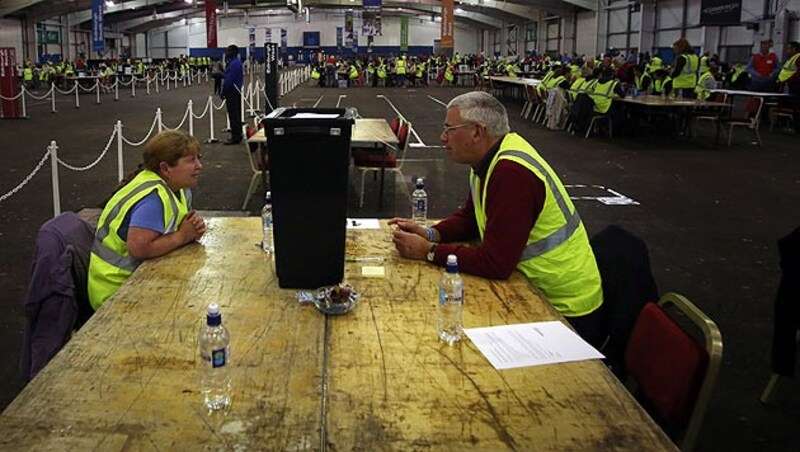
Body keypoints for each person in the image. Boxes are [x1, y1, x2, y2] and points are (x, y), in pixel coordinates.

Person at [389, 92, 605, 346]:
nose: (443, 137)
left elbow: (496, 263)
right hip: (529, 287)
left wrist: (429, 251)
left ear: (477, 132)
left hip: (561, 309)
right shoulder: (492, 158)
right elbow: (471, 217)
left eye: (450, 129)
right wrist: (430, 233)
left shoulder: (511, 172)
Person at [87, 131, 207, 310]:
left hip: (140, 278)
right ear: (166, 169)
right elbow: (139, 248)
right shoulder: (152, 199)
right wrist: (182, 235)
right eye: (191, 160)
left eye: (198, 158)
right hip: (116, 292)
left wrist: (190, 229)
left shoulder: (178, 188)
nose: (199, 166)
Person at [220, 44, 244, 145]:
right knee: (237, 114)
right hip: (236, 90)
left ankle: (235, 137)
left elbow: (228, 81)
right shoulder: (236, 63)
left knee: (233, 115)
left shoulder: (234, 64)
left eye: (229, 51)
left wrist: (223, 92)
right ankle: (238, 135)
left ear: (233, 52)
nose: (227, 53)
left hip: (232, 92)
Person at [777, 41, 800, 133]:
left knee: (796, 106)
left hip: (796, 85)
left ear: (794, 49)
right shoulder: (790, 58)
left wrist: (787, 80)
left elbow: (798, 73)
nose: (787, 50)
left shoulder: (798, 57)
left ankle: (796, 127)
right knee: (790, 105)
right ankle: (789, 124)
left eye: (789, 48)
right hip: (788, 85)